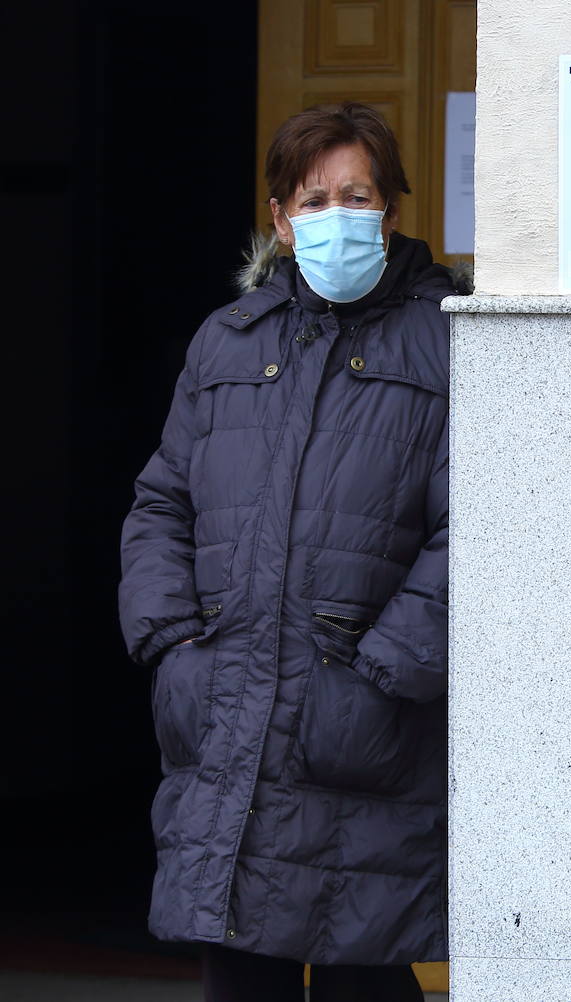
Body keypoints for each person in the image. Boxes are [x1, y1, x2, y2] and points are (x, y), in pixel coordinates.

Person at [119, 102, 458, 1001]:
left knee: (365, 977)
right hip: (230, 718)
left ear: (389, 210)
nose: (335, 216)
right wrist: (170, 645)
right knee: (239, 971)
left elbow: (476, 532)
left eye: (358, 196)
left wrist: (384, 671)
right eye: (314, 200)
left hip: (363, 732)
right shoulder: (227, 341)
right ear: (279, 218)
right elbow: (161, 502)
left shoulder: (450, 342)